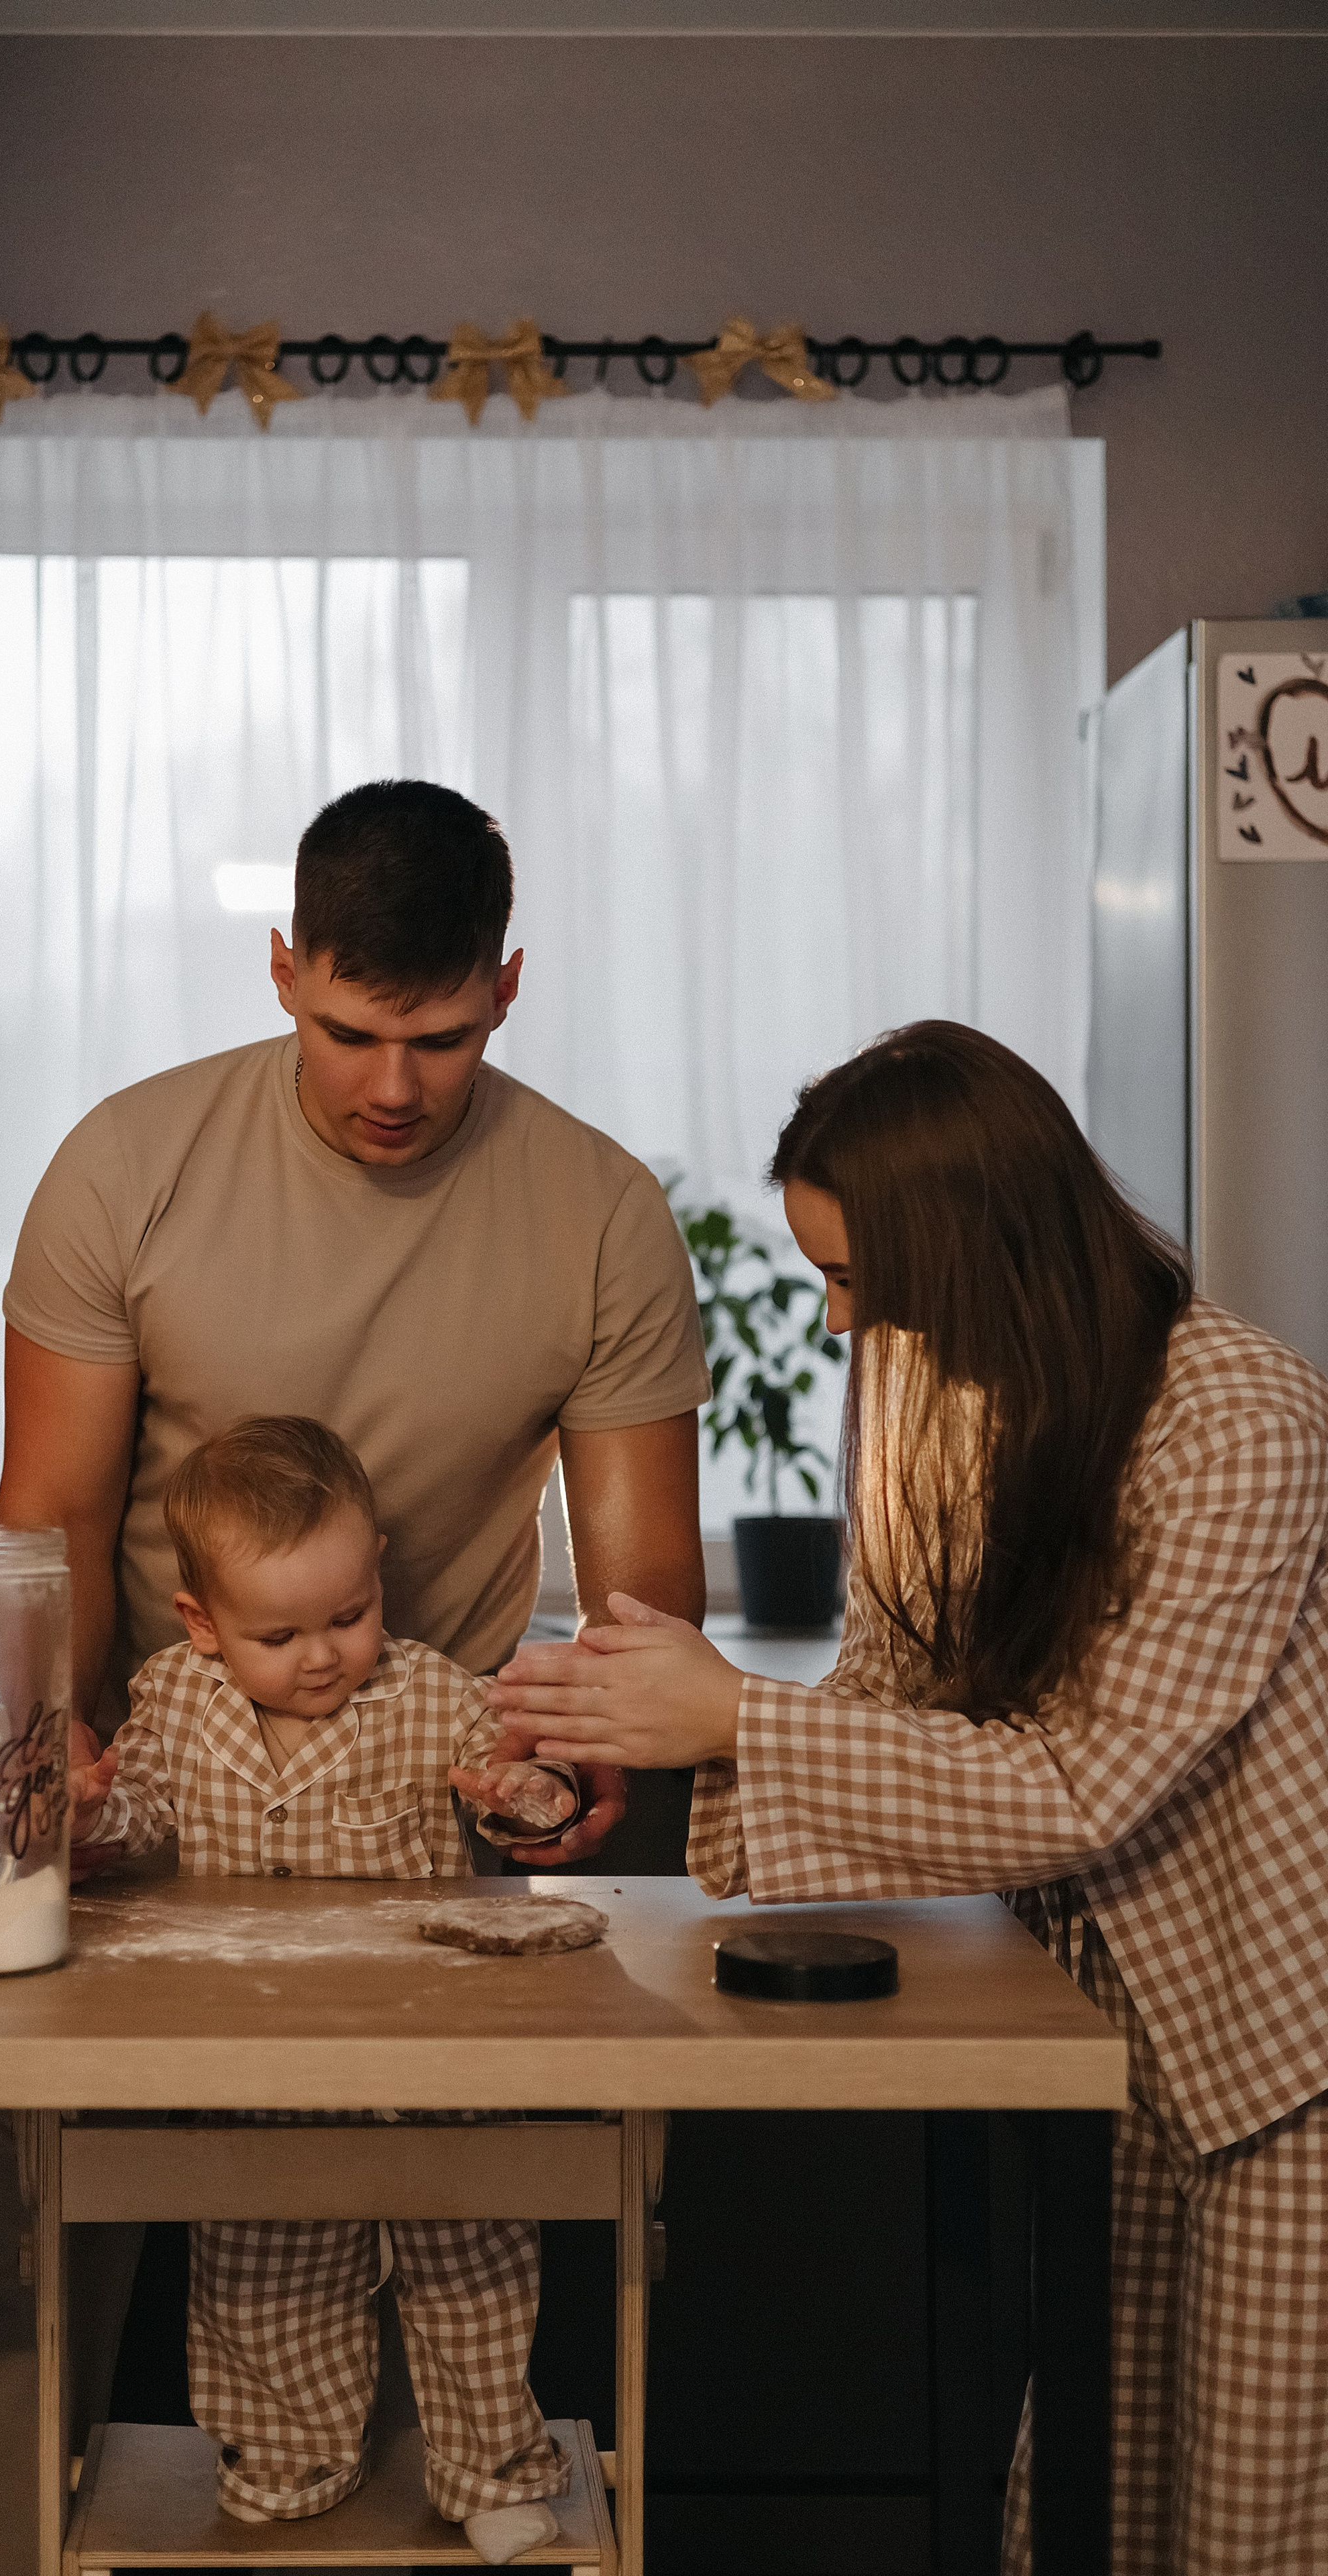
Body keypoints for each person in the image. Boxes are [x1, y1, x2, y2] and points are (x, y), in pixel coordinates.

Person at [0, 779, 710, 2576]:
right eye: (350, 1028)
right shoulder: (127, 1167)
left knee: (462, 2263)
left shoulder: (596, 1215)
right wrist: (42, 1783)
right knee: (27, 2274)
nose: (391, 1085)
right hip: (151, 1827)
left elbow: (645, 1592)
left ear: (507, 988)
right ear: (281, 968)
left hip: (436, 1858)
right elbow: (40, 1522)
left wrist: (582, 1754)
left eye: (437, 1035)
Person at [486, 1020, 1328, 2576]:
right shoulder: (928, 1399)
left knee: (1245, 2530)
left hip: (1275, 2061)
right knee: (1085, 2502)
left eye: (855, 1280)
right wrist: (650, 1720)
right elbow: (888, 1690)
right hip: (1098, 2048)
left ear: (981, 1247)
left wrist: (729, 1712)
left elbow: (1088, 1782)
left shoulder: (1238, 1417)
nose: (831, 1323)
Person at [72, 1415, 577, 2562]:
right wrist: (96, 1811)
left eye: (350, 1616)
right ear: (201, 1625)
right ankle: (291, 2460)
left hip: (433, 2053)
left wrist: (521, 1792)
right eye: (279, 1632)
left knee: (474, 2263)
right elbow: (140, 1807)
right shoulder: (175, 1702)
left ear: (378, 1574)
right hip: (258, 2061)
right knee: (264, 2264)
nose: (322, 1655)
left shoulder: (428, 1694)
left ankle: (490, 2461)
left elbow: (514, 1772)